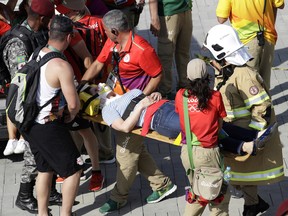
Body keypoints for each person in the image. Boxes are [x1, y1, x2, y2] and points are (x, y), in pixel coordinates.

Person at [82, 10, 177, 214]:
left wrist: (140, 98)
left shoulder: (143, 50)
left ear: (115, 31)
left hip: (133, 108)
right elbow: (99, 62)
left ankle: (118, 198)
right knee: (134, 149)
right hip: (119, 103)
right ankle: (162, 185)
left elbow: (157, 75)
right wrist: (80, 84)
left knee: (124, 155)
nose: (105, 35)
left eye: (106, 32)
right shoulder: (114, 43)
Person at [203, 24, 284, 216]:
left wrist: (254, 135)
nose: (211, 59)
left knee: (244, 173)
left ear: (222, 54)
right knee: (240, 173)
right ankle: (254, 203)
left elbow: (262, 107)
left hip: (244, 134)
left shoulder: (244, 75)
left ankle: (252, 206)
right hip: (233, 131)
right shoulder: (227, 70)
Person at [2, 0, 62, 214]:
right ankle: (24, 196)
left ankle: (51, 190)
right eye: (50, 19)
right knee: (32, 152)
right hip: (27, 107)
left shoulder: (40, 33)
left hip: (43, 102)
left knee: (48, 151)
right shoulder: (18, 42)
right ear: (43, 18)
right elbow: (20, 81)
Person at [21, 15, 84, 216]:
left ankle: (42, 213)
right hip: (48, 125)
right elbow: (73, 104)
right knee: (73, 170)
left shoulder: (37, 53)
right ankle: (66, 214)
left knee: (44, 169)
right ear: (68, 37)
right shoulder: (61, 66)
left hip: (30, 123)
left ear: (50, 33)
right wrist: (70, 115)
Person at [216, 0, 285, 89]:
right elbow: (280, 5)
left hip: (246, 43)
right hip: (268, 38)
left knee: (249, 84)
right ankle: (266, 102)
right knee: (265, 81)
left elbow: (221, 19)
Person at [149, 0, 192, 99]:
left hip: (186, 9)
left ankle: (184, 85)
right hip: (168, 13)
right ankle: (165, 90)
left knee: (184, 52)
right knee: (166, 55)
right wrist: (154, 18)